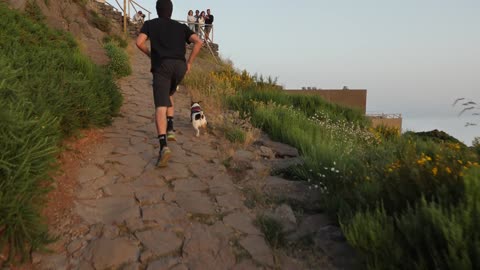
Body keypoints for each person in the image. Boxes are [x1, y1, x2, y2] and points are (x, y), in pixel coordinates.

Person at [136, 0, 203, 167]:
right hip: (179, 66)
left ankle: (163, 147)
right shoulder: (181, 27)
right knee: (170, 94)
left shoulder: (150, 24)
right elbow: (199, 42)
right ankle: (171, 128)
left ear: (157, 10)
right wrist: (189, 63)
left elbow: (139, 42)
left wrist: (151, 54)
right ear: (171, 11)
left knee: (160, 106)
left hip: (162, 66)